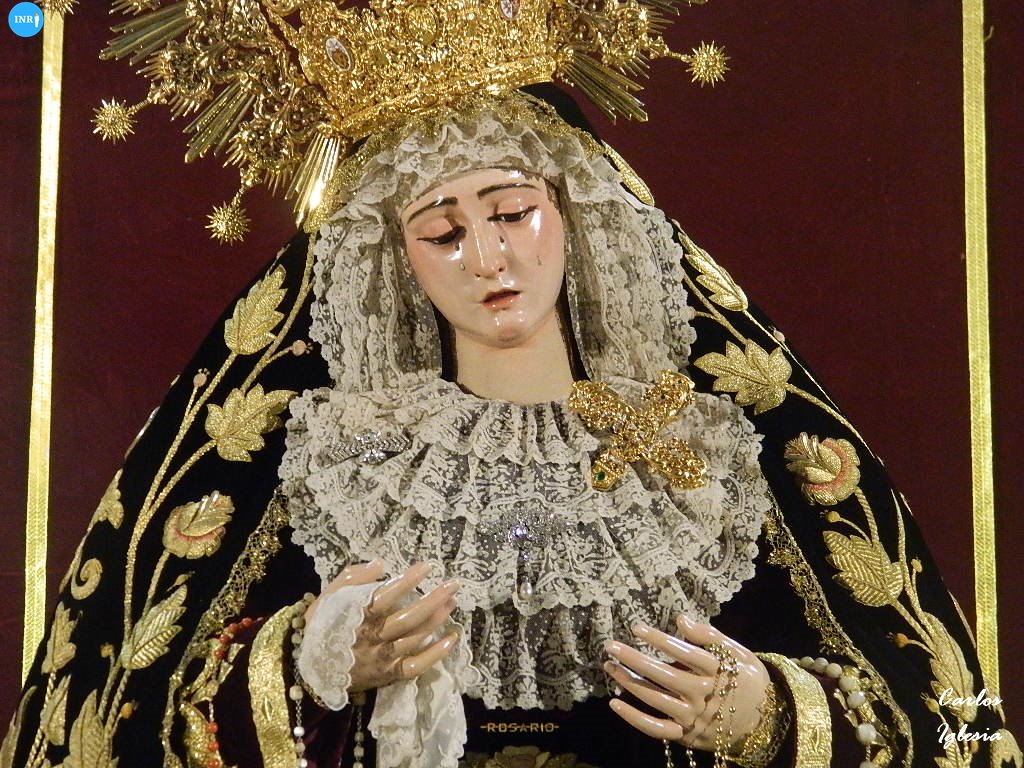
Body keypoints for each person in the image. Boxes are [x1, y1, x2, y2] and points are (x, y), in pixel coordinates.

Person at [3, 2, 1019, 768]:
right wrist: (308, 669)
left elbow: (951, 723)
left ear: (576, 215)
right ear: (394, 263)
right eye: (441, 232)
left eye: (512, 213)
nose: (488, 258)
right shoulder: (334, 457)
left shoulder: (708, 447)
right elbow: (123, 716)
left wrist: (768, 715)